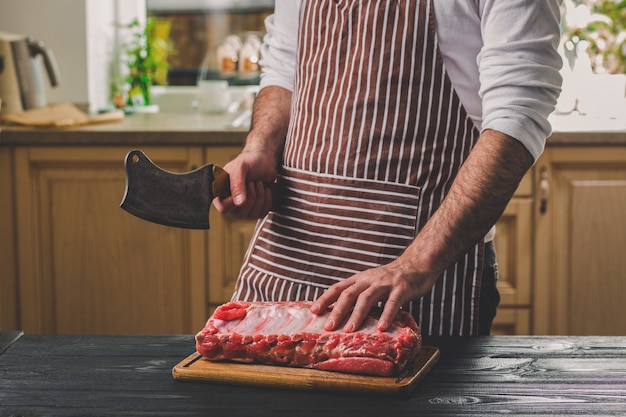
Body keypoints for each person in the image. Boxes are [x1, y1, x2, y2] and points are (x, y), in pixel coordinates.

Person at [214, 0, 563, 336]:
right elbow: (285, 62)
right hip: (290, 255)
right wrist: (261, 146)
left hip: (416, 275)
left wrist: (414, 265)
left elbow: (517, 115)